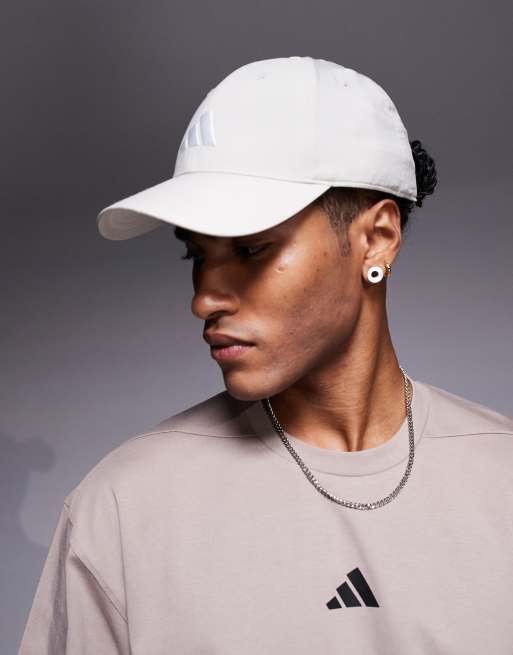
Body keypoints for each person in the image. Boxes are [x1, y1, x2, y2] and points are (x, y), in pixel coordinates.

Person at [18, 56, 513, 654]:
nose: (204, 299)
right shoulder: (124, 510)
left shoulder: (501, 479)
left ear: (377, 239)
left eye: (251, 249)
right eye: (196, 255)